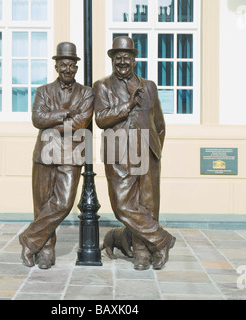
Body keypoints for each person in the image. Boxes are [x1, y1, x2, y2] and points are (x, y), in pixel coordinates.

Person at [94, 36, 176, 270]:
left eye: (127, 57)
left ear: (134, 59)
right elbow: (101, 119)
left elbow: (159, 123)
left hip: (147, 152)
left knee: (148, 205)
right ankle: (162, 240)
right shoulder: (102, 86)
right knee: (123, 206)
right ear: (112, 59)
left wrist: (155, 150)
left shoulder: (149, 86)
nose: (122, 62)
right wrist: (128, 105)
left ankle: (143, 252)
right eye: (118, 57)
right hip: (118, 153)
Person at [19, 42, 94, 269]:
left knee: (62, 203)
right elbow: (37, 120)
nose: (68, 69)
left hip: (72, 156)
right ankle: (45, 250)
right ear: (57, 66)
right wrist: (63, 114)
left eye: (72, 65)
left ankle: (29, 238)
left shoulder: (87, 93)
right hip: (44, 155)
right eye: (64, 65)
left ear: (76, 67)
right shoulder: (43, 91)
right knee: (42, 205)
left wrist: (51, 123)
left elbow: (81, 123)